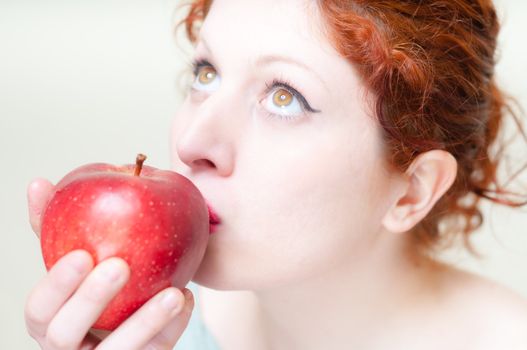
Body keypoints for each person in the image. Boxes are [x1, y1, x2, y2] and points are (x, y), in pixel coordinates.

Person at [25, 0, 527, 349]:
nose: (192, 142)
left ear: (411, 193)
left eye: (284, 96)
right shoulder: (155, 329)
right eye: (206, 74)